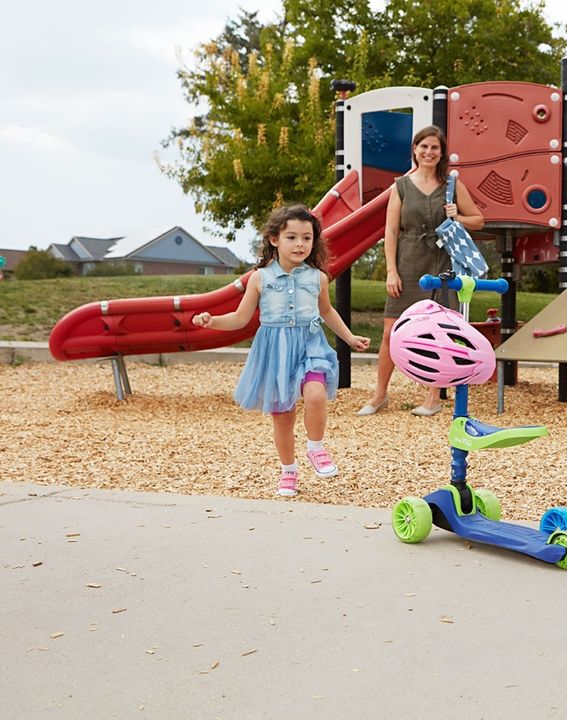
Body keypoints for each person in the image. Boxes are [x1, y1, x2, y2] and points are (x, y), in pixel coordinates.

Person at [193, 204, 370, 497]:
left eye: (306, 238)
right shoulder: (260, 278)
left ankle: (316, 447)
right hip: (276, 352)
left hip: (310, 346)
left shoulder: (318, 278)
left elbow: (326, 311)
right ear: (275, 239)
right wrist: (212, 321)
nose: (300, 244)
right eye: (292, 237)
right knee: (283, 417)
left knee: (316, 394)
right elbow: (240, 318)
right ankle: (288, 470)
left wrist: (349, 337)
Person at [357, 125, 484, 417]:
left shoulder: (452, 185)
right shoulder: (401, 186)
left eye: (434, 147)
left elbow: (479, 220)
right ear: (415, 149)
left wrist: (458, 216)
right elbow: (391, 231)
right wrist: (391, 271)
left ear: (442, 153)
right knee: (390, 330)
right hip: (409, 260)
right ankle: (379, 395)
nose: (429, 152)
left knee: (440, 330)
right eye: (423, 146)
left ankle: (433, 397)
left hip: (443, 263)